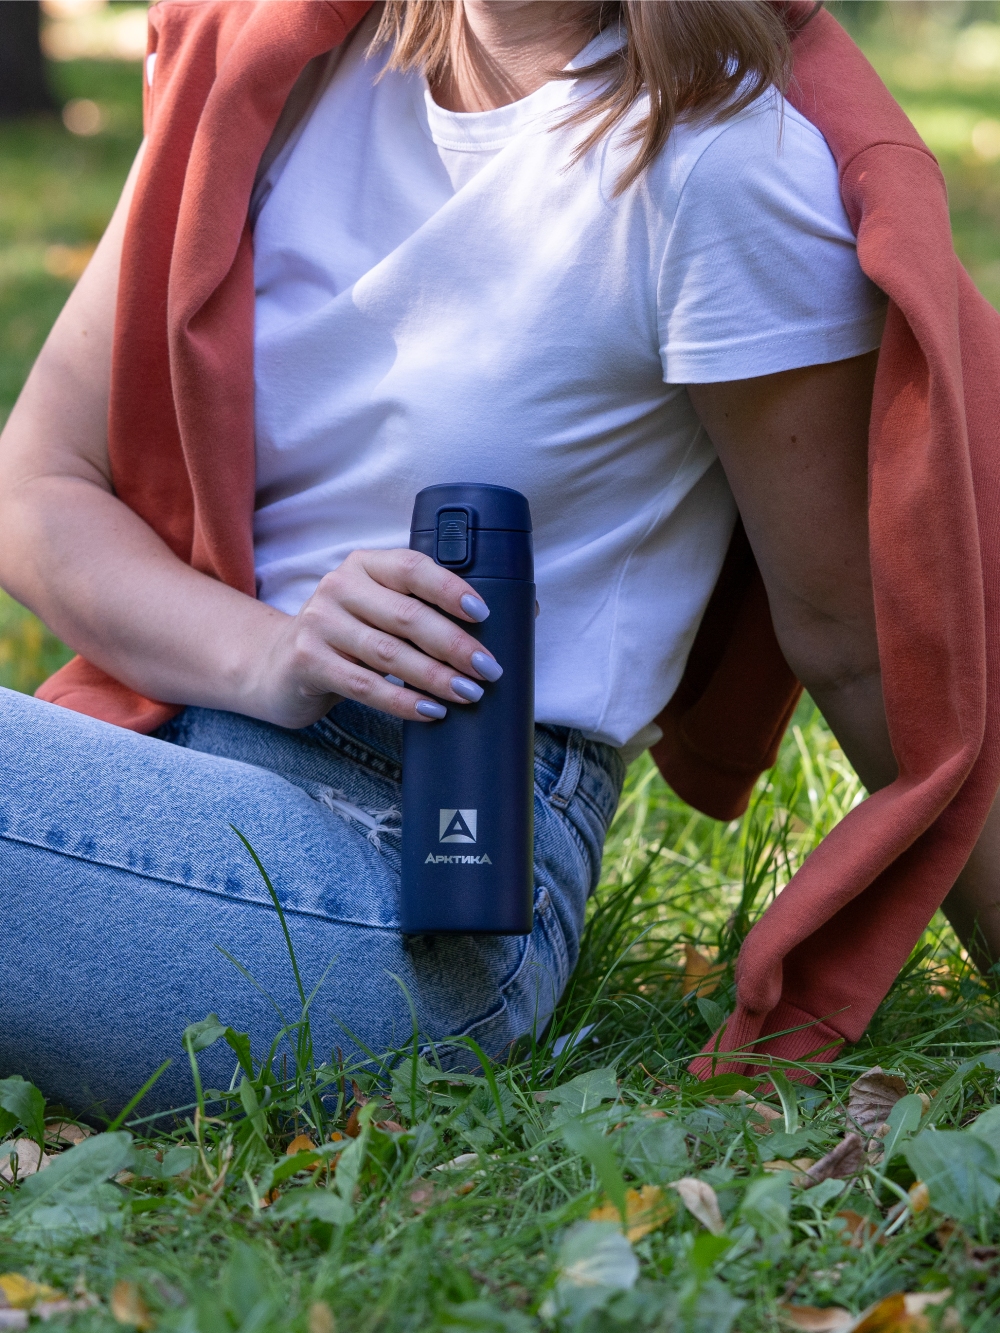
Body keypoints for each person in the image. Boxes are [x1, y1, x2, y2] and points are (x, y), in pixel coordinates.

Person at [0, 0, 996, 1115]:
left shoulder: (713, 160)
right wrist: (271, 652)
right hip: (178, 764)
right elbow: (36, 486)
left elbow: (862, 648)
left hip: (427, 886)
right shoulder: (273, 66)